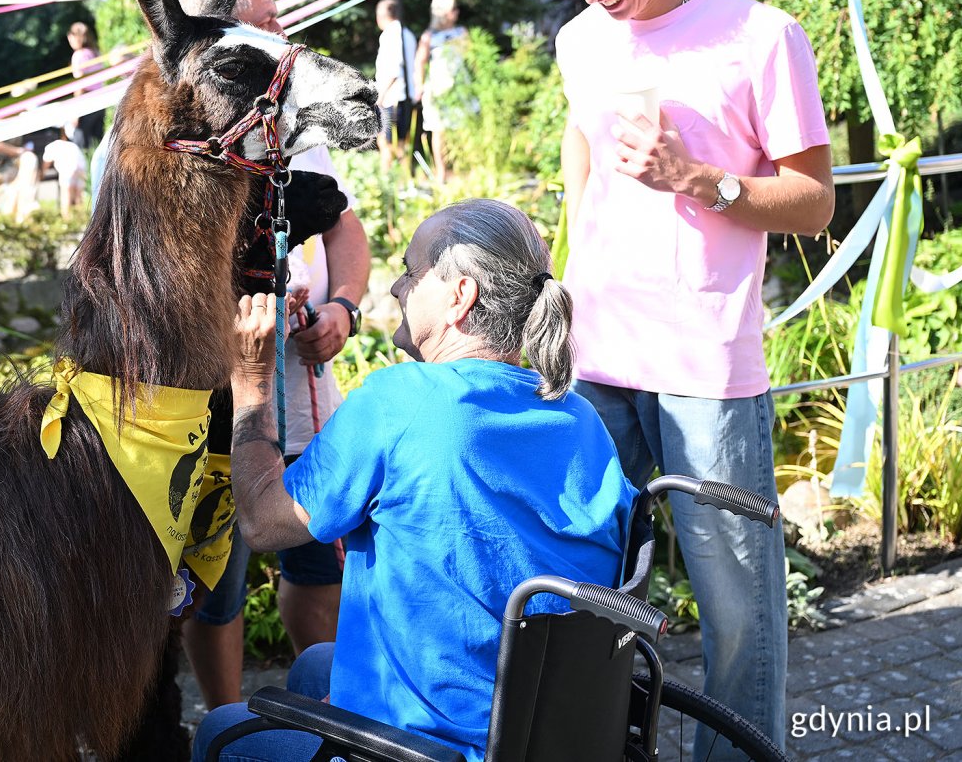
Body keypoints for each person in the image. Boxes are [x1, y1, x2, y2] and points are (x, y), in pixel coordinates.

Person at [521, 0, 835, 756]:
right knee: (593, 598)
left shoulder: (762, 36)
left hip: (706, 365)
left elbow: (814, 202)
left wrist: (704, 182)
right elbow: (582, 152)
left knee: (739, 614)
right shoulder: (580, 39)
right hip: (598, 357)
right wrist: (565, 278)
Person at [193, 199, 637, 762]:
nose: (398, 288)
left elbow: (261, 518)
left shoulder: (398, 402)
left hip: (435, 746)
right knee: (313, 665)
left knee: (223, 728)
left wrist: (253, 383)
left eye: (411, 270)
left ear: (460, 296)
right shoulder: (579, 417)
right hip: (545, 723)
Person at [171, 0, 372, 710]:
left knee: (317, 559)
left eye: (276, 17)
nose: (281, 32)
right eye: (264, 23)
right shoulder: (156, 143)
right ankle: (225, 726)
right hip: (212, 402)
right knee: (214, 582)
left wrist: (343, 307)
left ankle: (329, 716)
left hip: (302, 386)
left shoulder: (292, 115)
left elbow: (344, 229)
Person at [413, 0, 471, 186]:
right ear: (444, 13)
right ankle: (441, 172)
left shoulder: (461, 32)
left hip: (459, 87)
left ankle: (463, 169)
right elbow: (420, 62)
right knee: (439, 131)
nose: (457, 12)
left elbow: (470, 57)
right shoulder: (429, 36)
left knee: (463, 130)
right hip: (438, 89)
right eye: (453, 9)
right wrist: (419, 87)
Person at [373, 0, 417, 171]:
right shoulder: (408, 33)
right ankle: (404, 181)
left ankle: (387, 180)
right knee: (402, 143)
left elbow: (394, 69)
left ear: (381, 16)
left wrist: (380, 97)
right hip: (406, 95)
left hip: (392, 97)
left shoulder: (390, 34)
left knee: (385, 142)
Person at [66, 21, 107, 149]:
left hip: (87, 103)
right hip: (101, 101)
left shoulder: (78, 56)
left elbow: (80, 85)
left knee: (81, 145)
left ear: (77, 37)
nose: (69, 40)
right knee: (98, 144)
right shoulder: (95, 52)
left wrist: (75, 112)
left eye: (70, 36)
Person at [40, 135, 87, 219]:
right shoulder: (70, 144)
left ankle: (66, 219)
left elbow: (46, 163)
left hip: (67, 168)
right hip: (81, 167)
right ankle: (80, 218)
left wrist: (41, 175)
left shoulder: (50, 147)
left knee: (66, 195)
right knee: (78, 195)